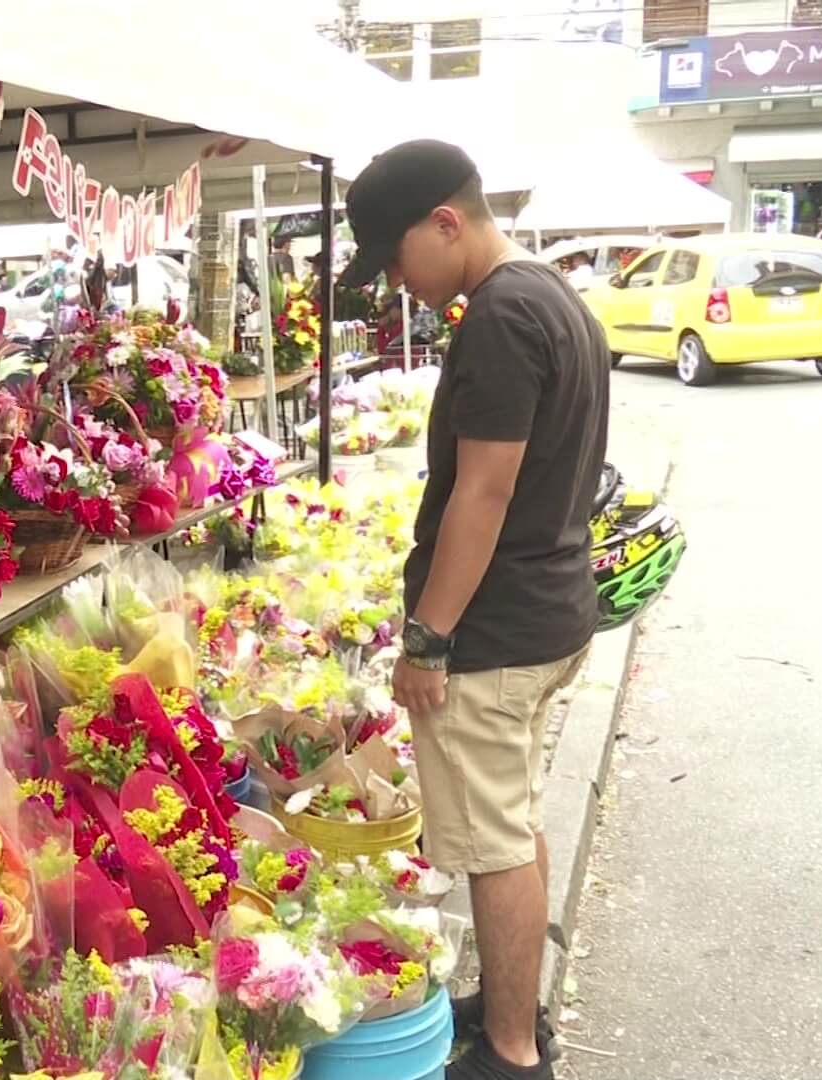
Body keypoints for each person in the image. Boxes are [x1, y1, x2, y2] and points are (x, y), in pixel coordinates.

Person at [339, 139, 606, 1080]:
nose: (400, 284)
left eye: (397, 258)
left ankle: (510, 1051)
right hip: (550, 610)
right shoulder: (555, 296)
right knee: (515, 824)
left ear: (445, 222)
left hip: (493, 632)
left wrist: (428, 640)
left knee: (493, 844)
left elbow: (482, 495)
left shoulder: (500, 318)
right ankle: (510, 1001)